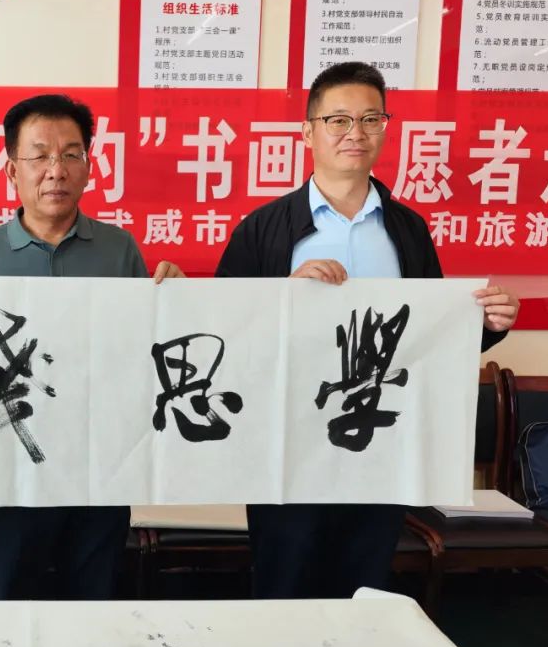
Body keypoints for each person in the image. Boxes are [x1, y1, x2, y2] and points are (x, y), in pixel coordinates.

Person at [215, 61, 520, 599]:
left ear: (384, 127)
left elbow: (431, 337)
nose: (355, 132)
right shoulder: (263, 229)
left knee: (365, 590)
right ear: (307, 131)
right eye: (338, 120)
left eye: (370, 119)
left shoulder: (408, 230)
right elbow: (224, 333)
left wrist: (488, 324)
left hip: (382, 442)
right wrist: (284, 296)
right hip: (288, 444)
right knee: (284, 585)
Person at [0, 93, 185, 599]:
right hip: (10, 473)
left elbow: (140, 351)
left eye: (71, 154)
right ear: (11, 170)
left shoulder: (119, 250)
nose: (56, 170)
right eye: (39, 155)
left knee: (94, 599)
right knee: (10, 599)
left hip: (98, 468)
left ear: (89, 167)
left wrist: (175, 300)